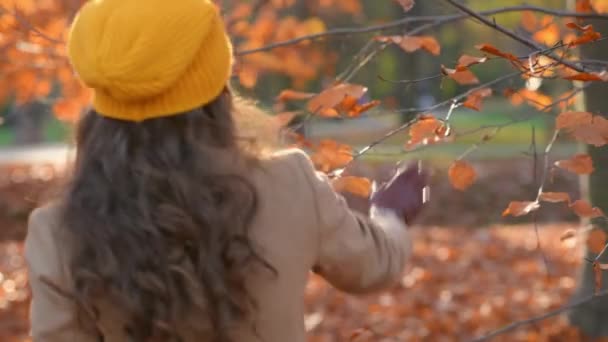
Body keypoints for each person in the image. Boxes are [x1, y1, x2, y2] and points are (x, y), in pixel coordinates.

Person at [24, 0, 429, 341]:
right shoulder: (289, 183)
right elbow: (373, 266)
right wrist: (390, 214)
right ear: (217, 86)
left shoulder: (59, 230)